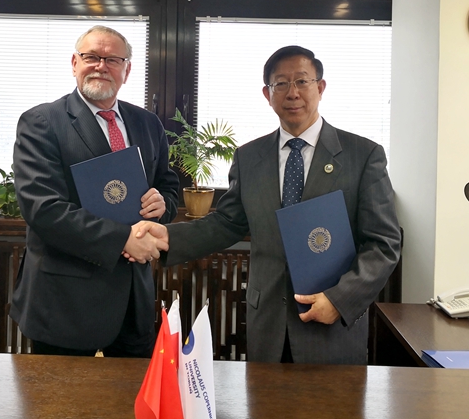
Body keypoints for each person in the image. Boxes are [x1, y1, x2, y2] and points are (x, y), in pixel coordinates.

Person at [137, 45, 400, 364]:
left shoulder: (363, 155)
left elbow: (383, 244)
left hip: (332, 324)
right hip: (267, 322)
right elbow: (228, 223)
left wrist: (340, 299)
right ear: (267, 94)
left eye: (302, 81)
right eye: (281, 83)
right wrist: (169, 236)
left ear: (320, 87)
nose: (293, 93)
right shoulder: (249, 157)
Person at [10, 25, 179, 358]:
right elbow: (43, 209)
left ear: (127, 70)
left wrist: (163, 205)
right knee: (59, 394)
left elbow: (168, 186)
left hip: (133, 302)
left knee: (132, 393)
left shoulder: (148, 123)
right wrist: (123, 239)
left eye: (113, 59)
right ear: (74, 63)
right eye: (91, 57)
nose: (101, 66)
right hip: (64, 303)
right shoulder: (42, 122)